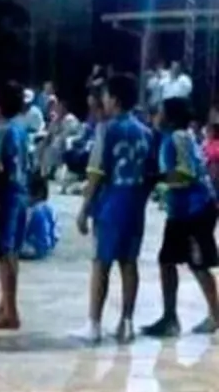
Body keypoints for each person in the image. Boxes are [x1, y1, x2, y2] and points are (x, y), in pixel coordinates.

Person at [74, 73, 153, 343]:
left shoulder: (106, 129)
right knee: (129, 263)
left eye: (106, 96)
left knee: (101, 263)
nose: (103, 101)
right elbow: (151, 174)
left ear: (115, 100)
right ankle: (126, 323)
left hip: (111, 203)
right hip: (135, 205)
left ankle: (94, 325)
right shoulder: (146, 133)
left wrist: (85, 208)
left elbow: (96, 172)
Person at [141, 98, 219, 337]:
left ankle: (215, 315)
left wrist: (157, 179)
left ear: (171, 117)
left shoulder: (178, 137)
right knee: (167, 260)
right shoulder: (170, 138)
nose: (156, 115)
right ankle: (170, 317)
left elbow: (186, 173)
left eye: (160, 112)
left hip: (195, 210)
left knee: (198, 264)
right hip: (180, 211)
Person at [0, 81, 31, 329]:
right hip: (21, 195)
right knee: (12, 254)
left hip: (5, 198)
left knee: (3, 254)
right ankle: (5, 304)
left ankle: (11, 312)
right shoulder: (21, 130)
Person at [20, 173, 58, 261]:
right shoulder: (51, 208)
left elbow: (24, 230)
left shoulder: (34, 210)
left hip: (35, 247)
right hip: (49, 245)